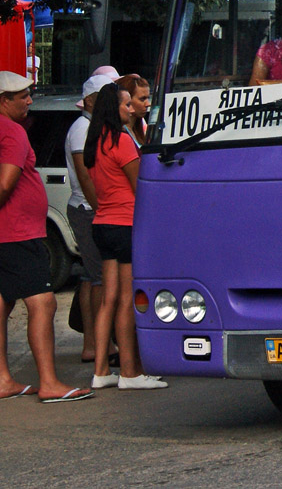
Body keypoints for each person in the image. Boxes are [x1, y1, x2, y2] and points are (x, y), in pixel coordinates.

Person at [0, 71, 94, 402]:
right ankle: (49, 382)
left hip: (9, 232)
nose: (29, 101)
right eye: (23, 96)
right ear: (4, 101)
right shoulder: (12, 132)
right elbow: (5, 184)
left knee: (3, 302)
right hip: (17, 232)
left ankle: (2, 379)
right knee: (43, 302)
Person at [85, 83, 166, 390]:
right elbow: (140, 186)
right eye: (126, 105)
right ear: (114, 108)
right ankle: (130, 372)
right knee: (125, 300)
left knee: (108, 299)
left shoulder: (95, 140)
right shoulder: (121, 140)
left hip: (103, 223)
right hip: (125, 224)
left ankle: (101, 370)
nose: (131, 109)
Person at [65, 75, 118, 366]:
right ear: (89, 101)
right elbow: (85, 175)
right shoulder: (82, 129)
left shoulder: (90, 127)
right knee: (99, 279)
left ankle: (93, 344)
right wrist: (101, 209)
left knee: (90, 278)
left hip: (89, 208)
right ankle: (101, 344)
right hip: (88, 209)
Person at [115, 74, 151, 148]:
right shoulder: (119, 135)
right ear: (127, 99)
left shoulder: (138, 131)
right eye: (142, 99)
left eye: (148, 98)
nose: (148, 104)